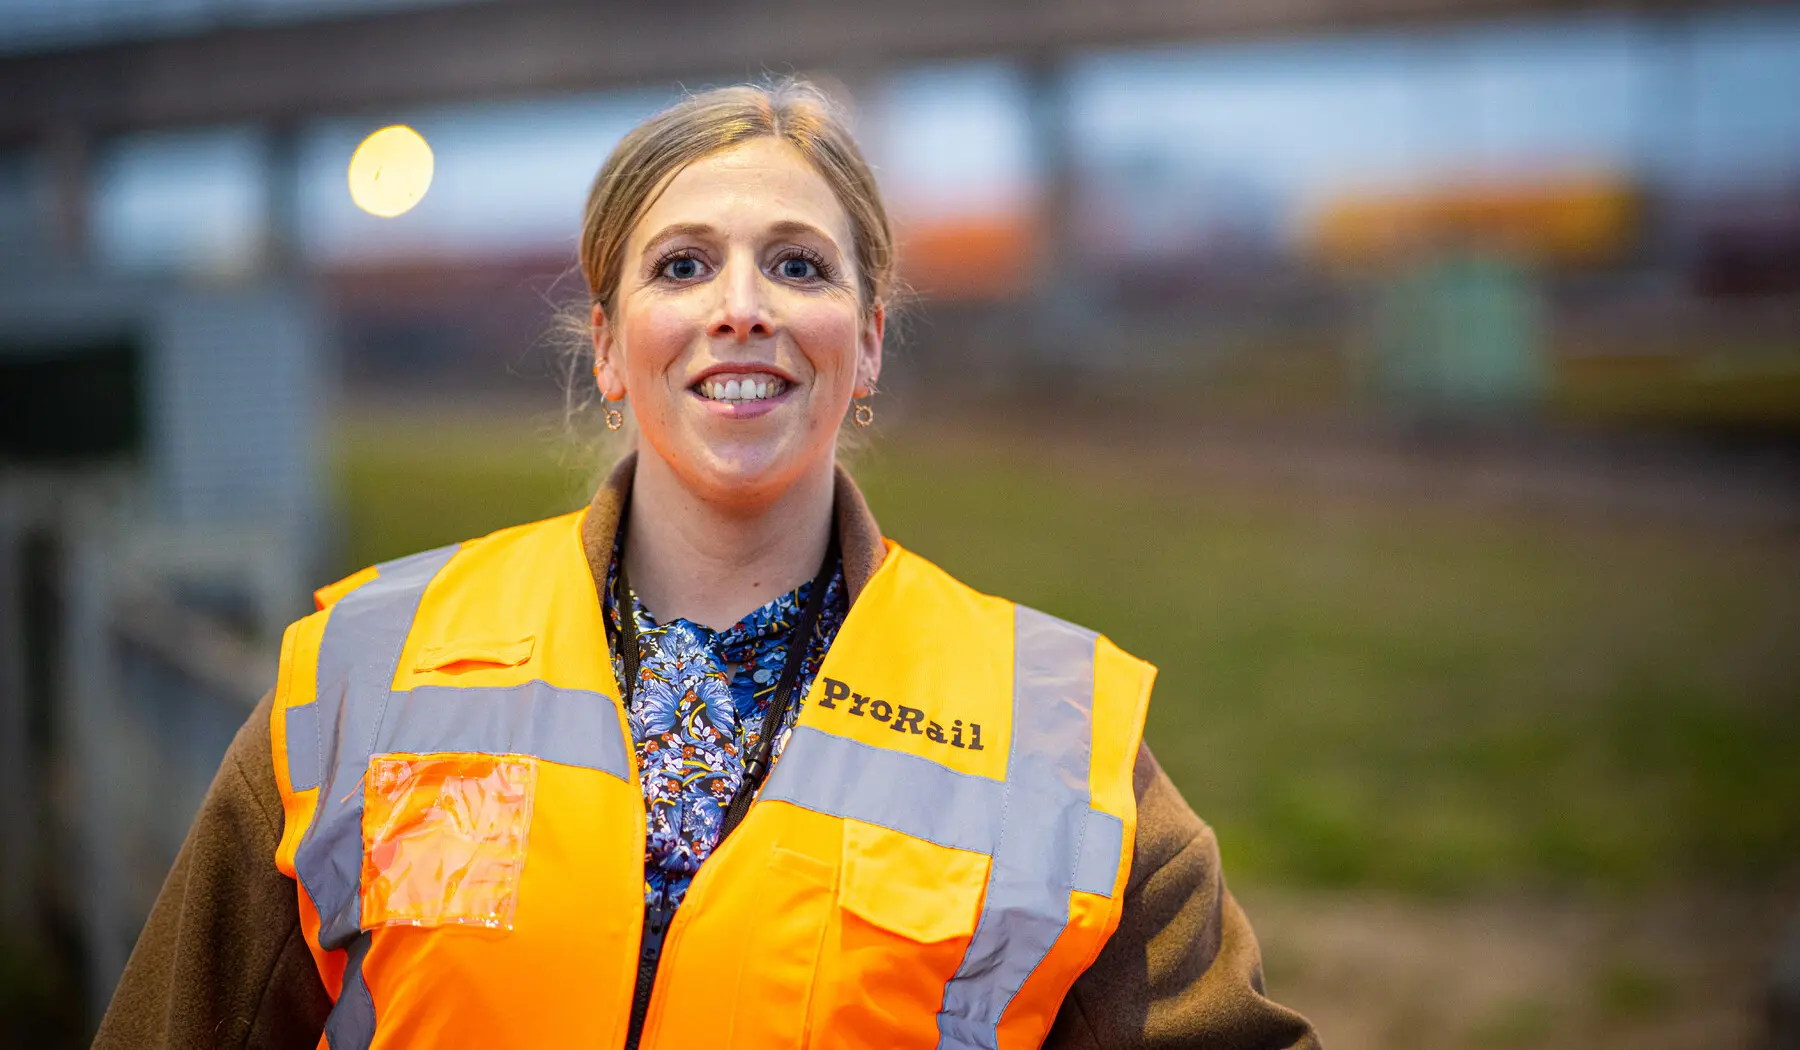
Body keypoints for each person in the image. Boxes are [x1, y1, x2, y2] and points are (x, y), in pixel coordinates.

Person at [95, 80, 1319, 1050]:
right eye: (682, 266)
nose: (744, 306)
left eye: (799, 265)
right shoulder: (366, 673)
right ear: (612, 348)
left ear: (869, 342)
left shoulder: (1052, 735)